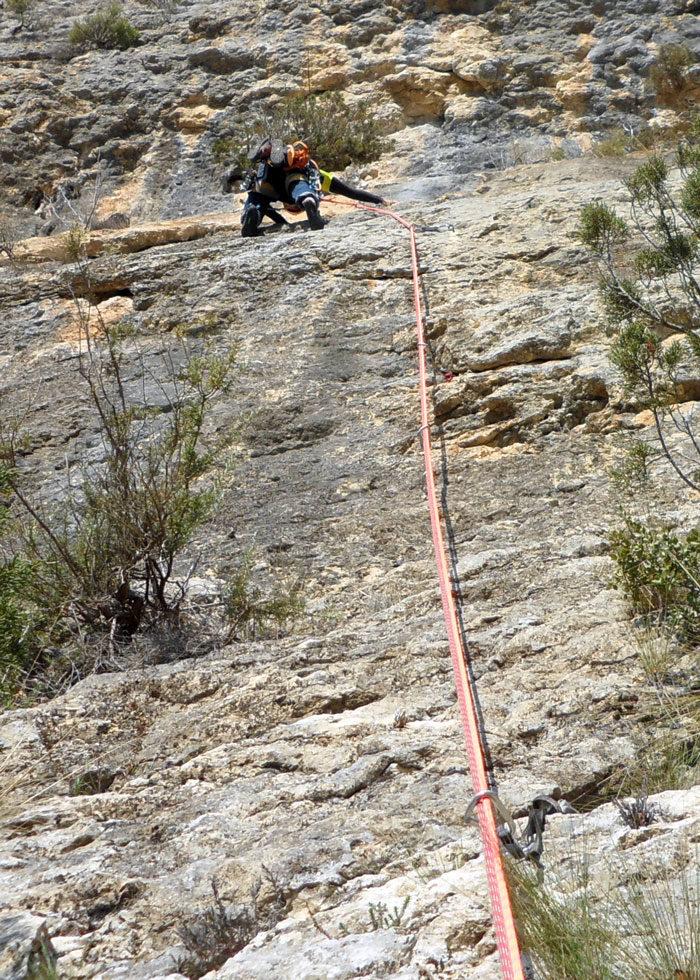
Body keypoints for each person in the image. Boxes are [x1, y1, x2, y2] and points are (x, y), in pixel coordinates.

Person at [234, 138, 385, 237]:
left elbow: (275, 217)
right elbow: (350, 192)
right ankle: (307, 198)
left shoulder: (278, 193)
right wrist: (378, 200)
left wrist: (283, 223)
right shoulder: (314, 175)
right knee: (298, 185)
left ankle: (251, 212)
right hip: (295, 175)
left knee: (258, 198)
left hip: (268, 177)